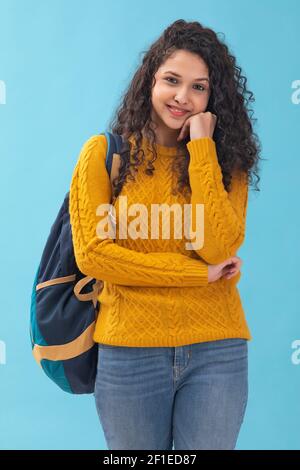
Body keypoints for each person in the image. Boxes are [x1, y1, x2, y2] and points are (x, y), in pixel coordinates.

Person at [69, 19, 262, 450]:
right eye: (172, 80)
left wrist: (202, 149)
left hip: (217, 348)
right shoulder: (103, 155)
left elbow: (219, 246)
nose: (182, 97)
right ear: (150, 80)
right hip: (128, 350)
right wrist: (198, 275)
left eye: (199, 87)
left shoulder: (227, 163)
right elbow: (95, 256)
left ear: (214, 97)